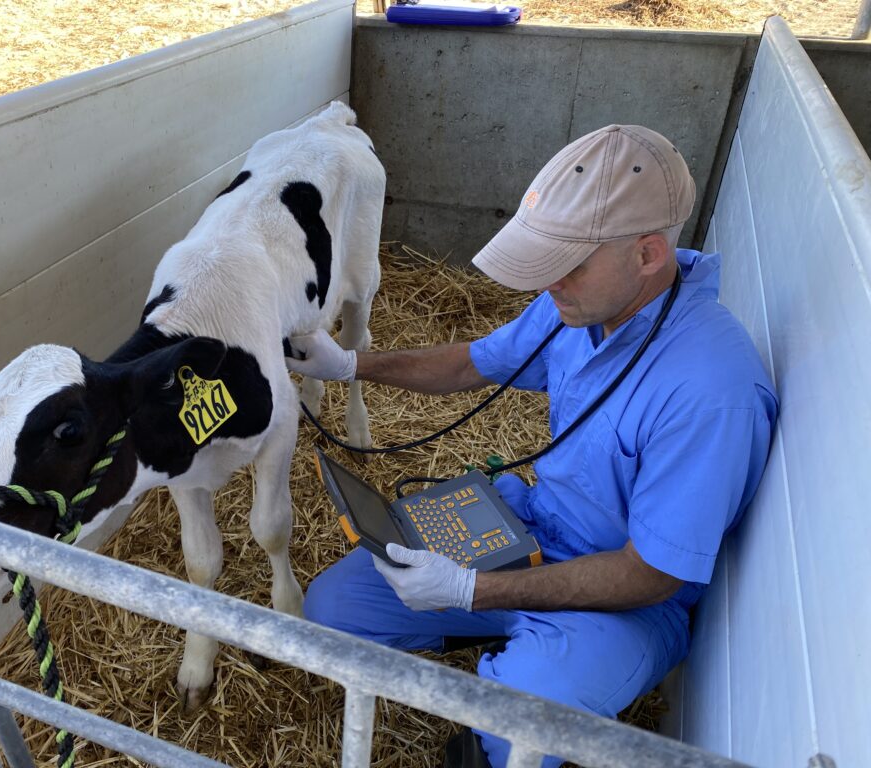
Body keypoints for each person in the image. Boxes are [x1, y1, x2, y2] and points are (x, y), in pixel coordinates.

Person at [286, 124, 779, 768]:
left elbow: (651, 574)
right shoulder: (580, 304)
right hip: (530, 525)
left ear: (649, 254)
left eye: (566, 265)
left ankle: (508, 647)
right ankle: (498, 628)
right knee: (332, 610)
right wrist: (352, 365)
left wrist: (470, 591)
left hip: (623, 601)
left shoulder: (710, 390)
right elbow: (475, 363)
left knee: (514, 727)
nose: (548, 283)